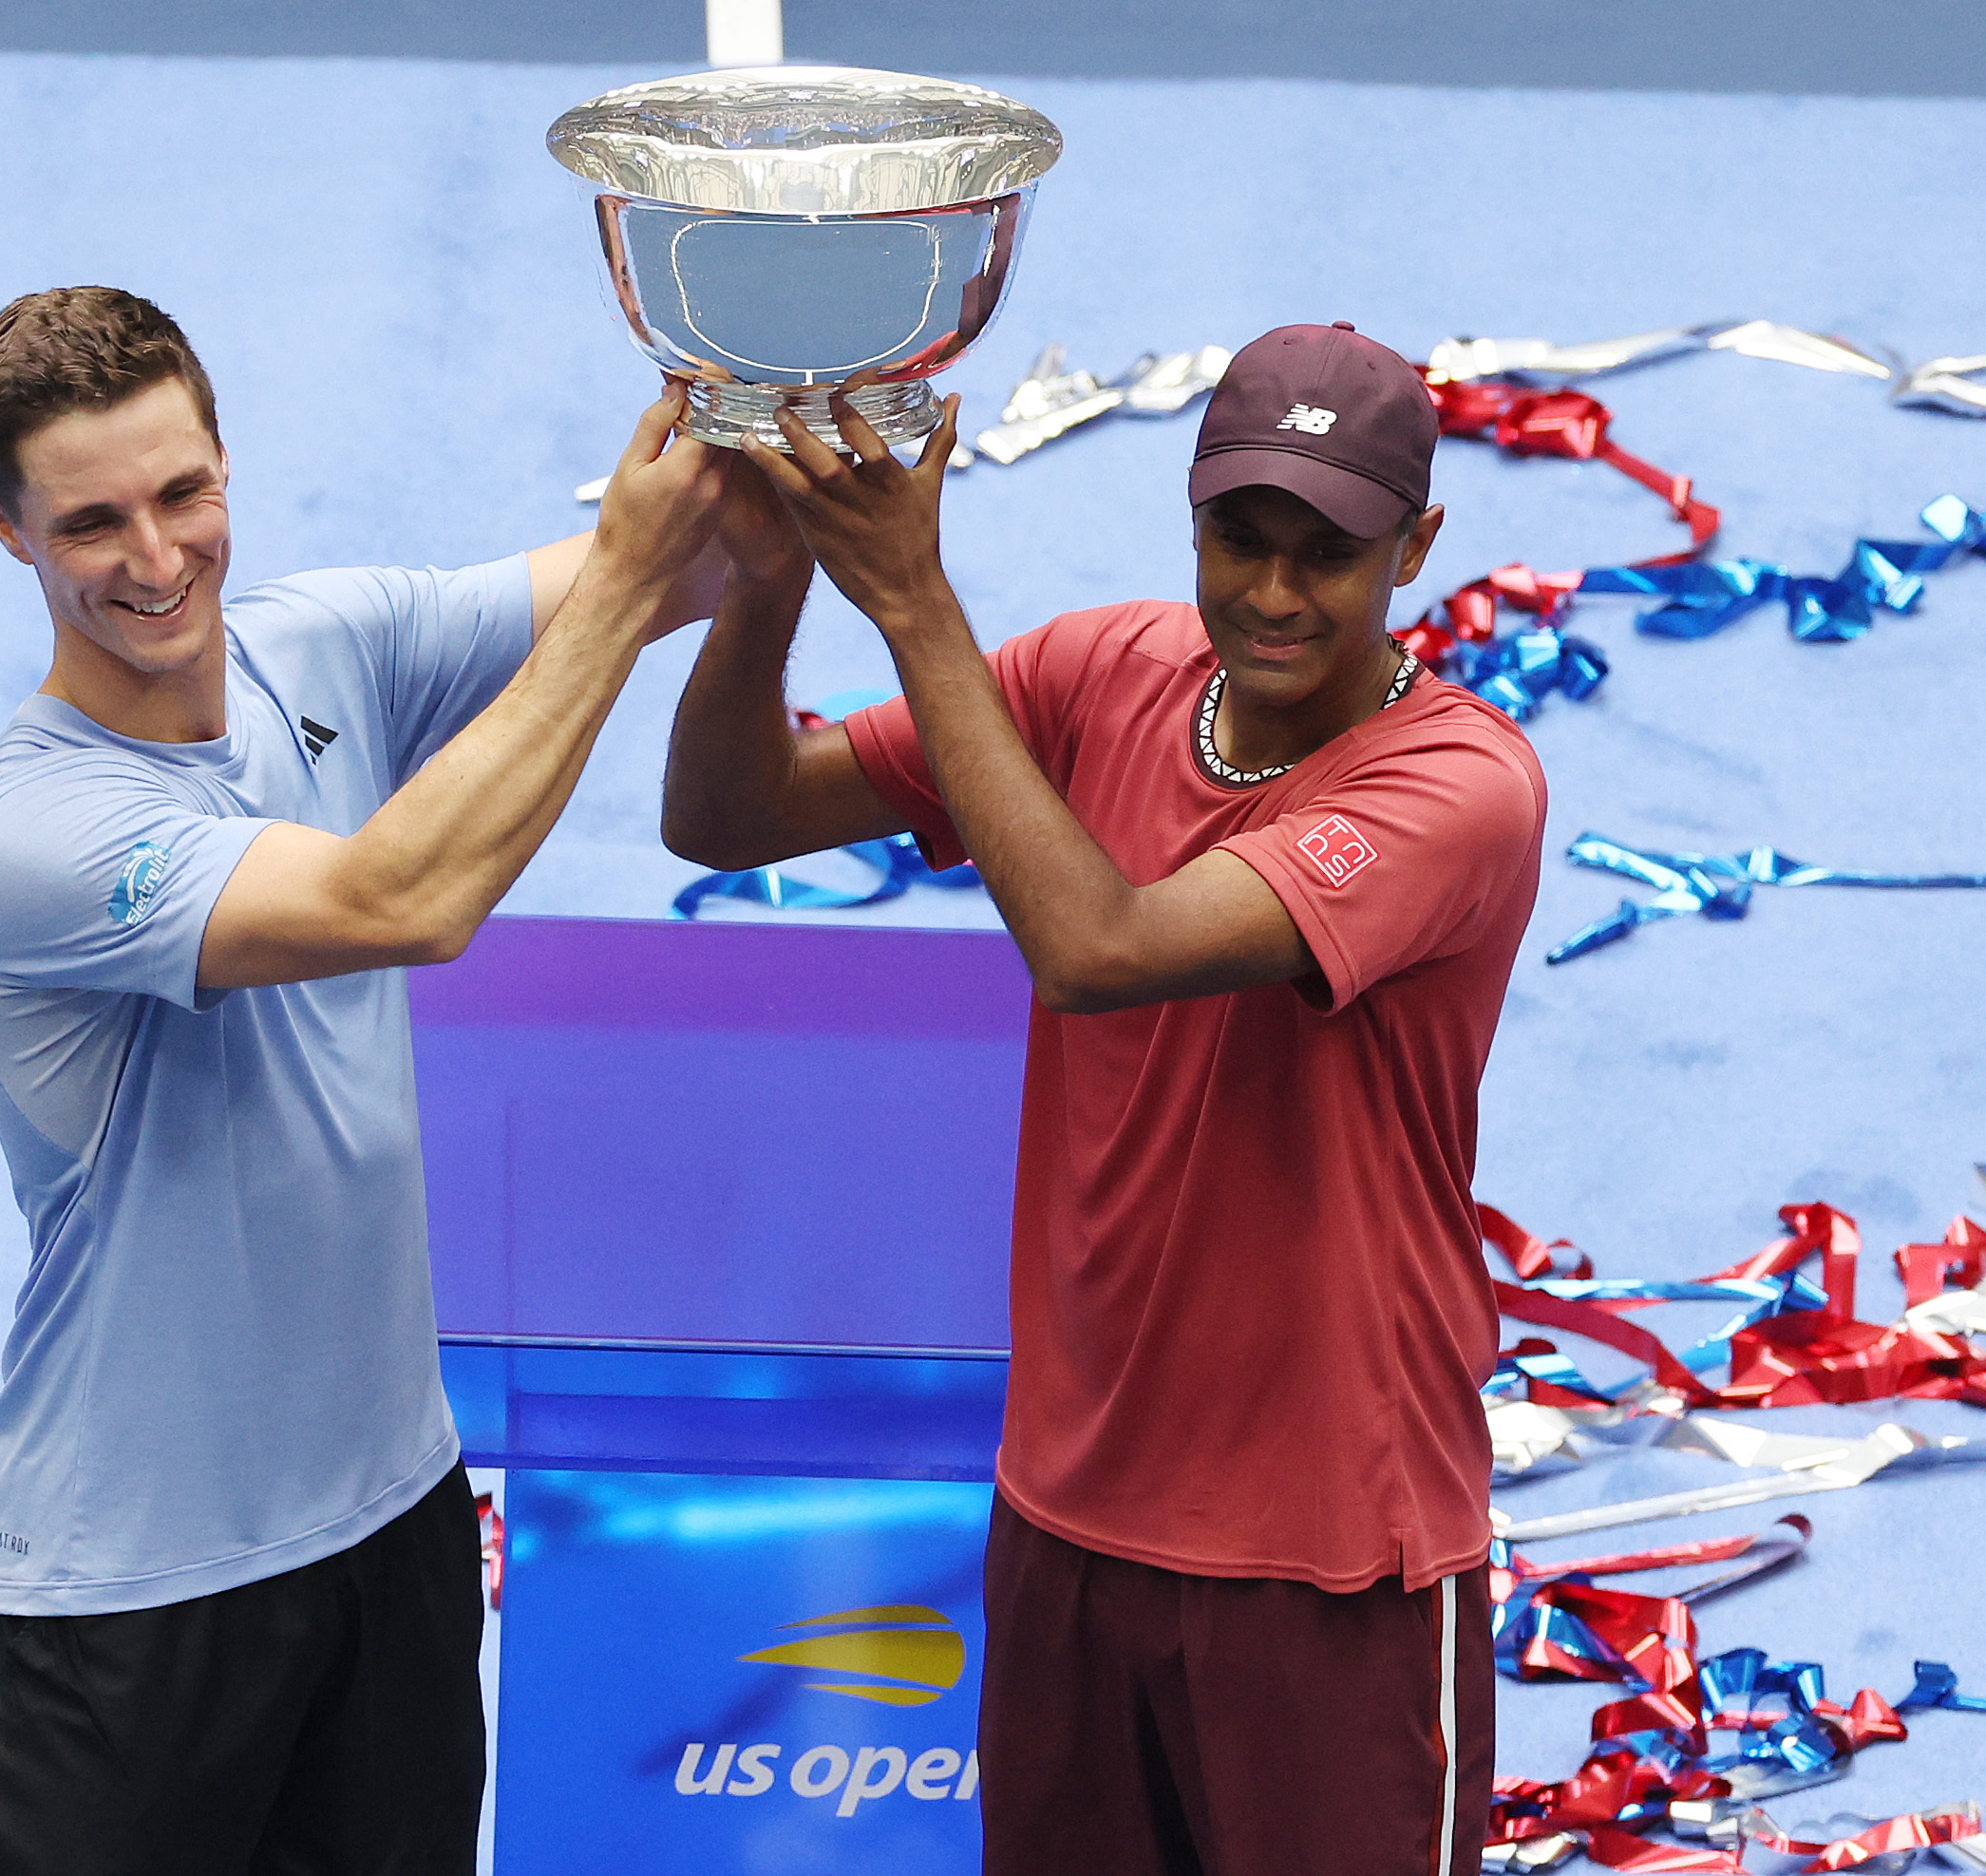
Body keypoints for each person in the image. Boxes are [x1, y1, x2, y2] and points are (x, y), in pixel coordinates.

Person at [661, 323, 1546, 1876]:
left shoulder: (1458, 791)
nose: (1273, 595)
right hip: (1068, 1526)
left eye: (1327, 554)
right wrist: (774, 593)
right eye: (1239, 537)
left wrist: (914, 603)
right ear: (1192, 513)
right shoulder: (1100, 677)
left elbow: (1098, 947)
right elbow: (726, 815)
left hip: (1333, 1564)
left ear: (1417, 547)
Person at [0, 285, 755, 1874]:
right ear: (7, 530)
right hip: (129, 1597)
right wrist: (640, 575)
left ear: (226, 462)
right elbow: (402, 903)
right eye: (91, 521)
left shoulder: (330, 644)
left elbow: (686, 571)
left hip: (395, 1527)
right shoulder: (21, 834)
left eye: (183, 494)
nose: (156, 558)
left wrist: (793, 408)